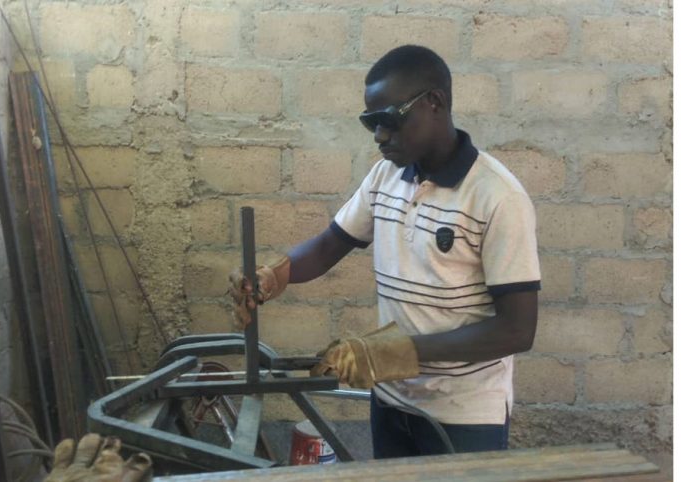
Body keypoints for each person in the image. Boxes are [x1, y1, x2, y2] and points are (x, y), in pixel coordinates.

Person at [229, 45, 540, 459]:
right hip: (391, 402)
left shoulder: (497, 197)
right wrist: (275, 274)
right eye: (370, 123)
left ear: (435, 103)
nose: (379, 136)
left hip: (463, 414)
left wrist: (388, 353)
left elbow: (516, 331)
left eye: (389, 120)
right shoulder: (386, 177)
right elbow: (328, 246)